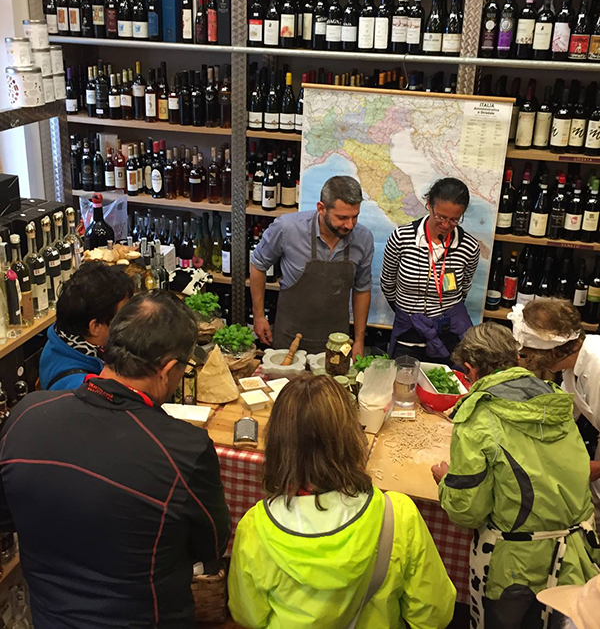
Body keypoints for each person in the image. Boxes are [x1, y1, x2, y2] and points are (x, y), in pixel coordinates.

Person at [0, 291, 231, 628]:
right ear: (168, 369)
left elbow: (7, 518)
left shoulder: (27, 414)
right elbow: (211, 546)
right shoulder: (184, 450)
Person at [228, 373, 456, 629]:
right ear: (351, 437)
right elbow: (434, 613)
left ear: (278, 444)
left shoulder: (255, 526)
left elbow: (248, 614)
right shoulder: (398, 515)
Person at [432, 321, 600, 629]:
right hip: (576, 555)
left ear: (470, 370)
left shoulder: (478, 416)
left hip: (514, 566)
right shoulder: (553, 398)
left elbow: (467, 511)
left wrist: (446, 481)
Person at [250, 176, 374, 358]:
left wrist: (359, 340)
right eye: (342, 217)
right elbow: (258, 264)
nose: (349, 225)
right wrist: (259, 316)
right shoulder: (287, 229)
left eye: (355, 217)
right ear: (321, 208)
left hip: (337, 342)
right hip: (288, 338)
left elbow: (362, 289)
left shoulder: (363, 238)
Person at [510, 299, 600, 516]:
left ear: (549, 352)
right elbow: (561, 412)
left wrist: (594, 468)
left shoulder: (597, 365)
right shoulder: (571, 367)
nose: (526, 361)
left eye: (528, 355)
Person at [381, 177, 480, 362]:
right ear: (429, 204)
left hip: (447, 334)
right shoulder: (401, 238)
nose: (445, 225)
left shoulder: (469, 247)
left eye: (454, 220)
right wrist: (408, 310)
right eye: (440, 216)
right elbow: (388, 283)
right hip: (408, 333)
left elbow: (464, 289)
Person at [39, 260, 134, 390]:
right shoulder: (80, 389)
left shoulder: (63, 336)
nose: (131, 320)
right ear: (95, 327)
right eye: (123, 316)